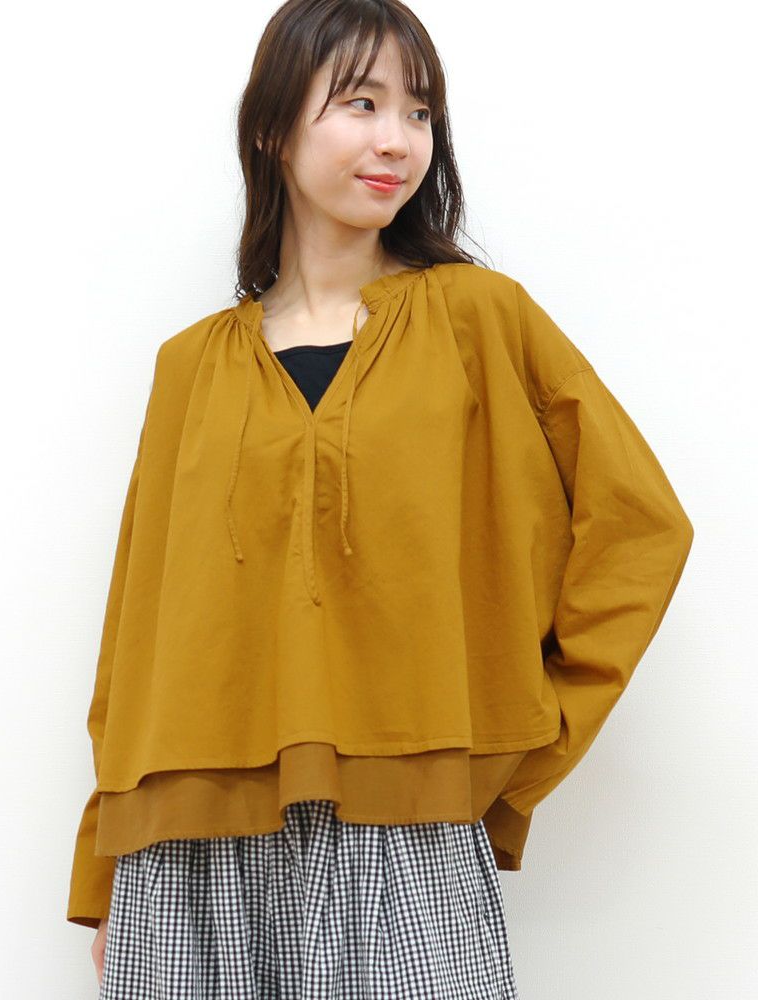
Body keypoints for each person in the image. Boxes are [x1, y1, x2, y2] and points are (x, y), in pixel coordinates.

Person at [67, 2, 695, 998]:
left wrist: (525, 747)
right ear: (273, 128)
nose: (397, 140)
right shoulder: (190, 365)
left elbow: (640, 528)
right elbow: (136, 632)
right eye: (360, 104)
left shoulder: (481, 320)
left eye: (418, 111)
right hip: (186, 848)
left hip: (410, 834)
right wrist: (103, 864)